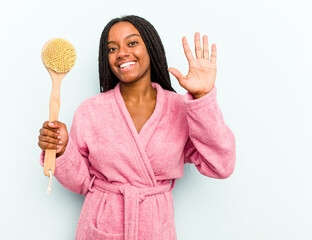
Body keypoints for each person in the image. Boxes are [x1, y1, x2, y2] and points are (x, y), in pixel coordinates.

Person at [38, 15, 235, 240]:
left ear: (150, 47)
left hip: (155, 229)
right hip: (100, 227)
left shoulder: (180, 108)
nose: (122, 52)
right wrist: (62, 149)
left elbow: (221, 165)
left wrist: (202, 98)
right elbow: (81, 183)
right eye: (112, 48)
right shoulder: (90, 110)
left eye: (132, 43)